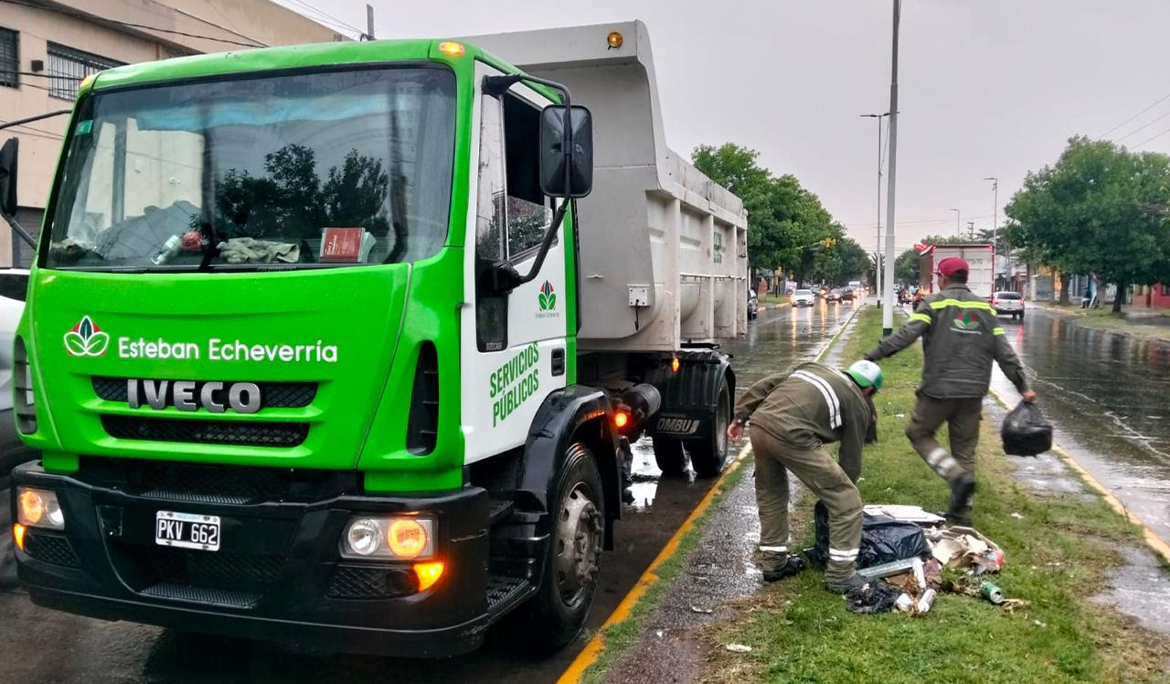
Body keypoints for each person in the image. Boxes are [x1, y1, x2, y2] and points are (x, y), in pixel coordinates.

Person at [863, 256, 1036, 526]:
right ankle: (961, 515)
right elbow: (1005, 354)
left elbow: (905, 336)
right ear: (965, 279)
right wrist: (1023, 387)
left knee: (918, 433)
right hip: (973, 393)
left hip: (938, 390)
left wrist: (871, 356)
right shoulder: (986, 309)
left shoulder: (934, 303)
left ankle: (955, 476)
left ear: (942, 278)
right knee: (965, 450)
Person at [727, 360, 882, 594]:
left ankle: (775, 563)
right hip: (791, 433)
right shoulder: (858, 402)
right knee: (847, 501)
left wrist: (740, 418)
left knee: (772, 494)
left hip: (760, 425)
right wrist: (835, 492)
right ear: (869, 390)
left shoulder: (815, 368)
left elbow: (765, 385)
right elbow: (850, 458)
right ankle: (840, 575)